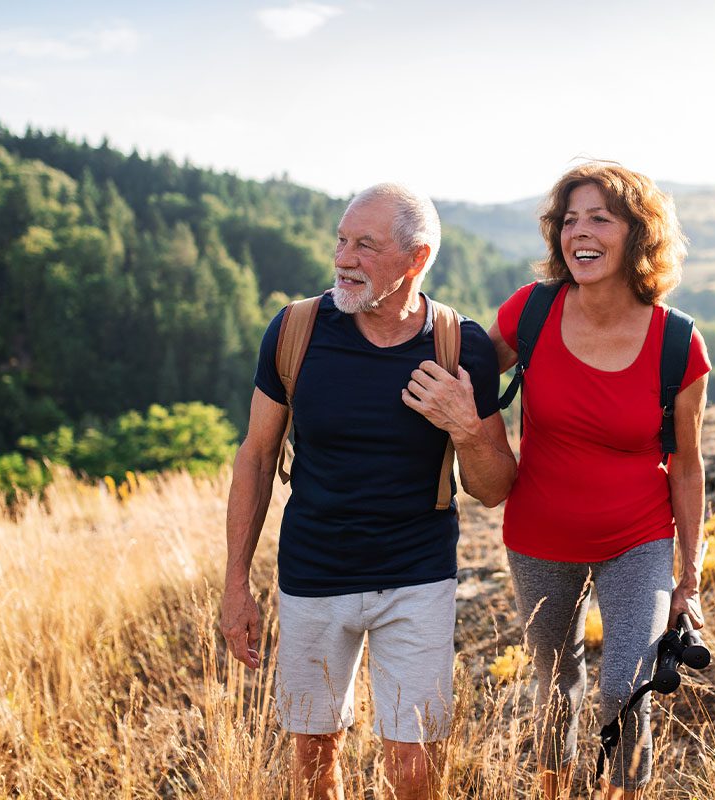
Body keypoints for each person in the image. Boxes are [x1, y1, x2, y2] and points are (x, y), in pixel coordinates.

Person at [413, 162, 710, 799]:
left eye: (601, 217)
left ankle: (625, 791)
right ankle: (553, 790)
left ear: (638, 233)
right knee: (555, 683)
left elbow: (686, 463)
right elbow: (463, 369)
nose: (581, 231)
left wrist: (691, 566)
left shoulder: (678, 342)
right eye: (570, 219)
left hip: (640, 537)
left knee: (626, 684)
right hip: (539, 535)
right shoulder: (534, 311)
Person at [220, 183, 516, 800]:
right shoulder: (296, 330)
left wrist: (464, 424)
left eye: (365, 245)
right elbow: (255, 456)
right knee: (314, 760)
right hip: (313, 575)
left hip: (417, 576)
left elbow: (494, 489)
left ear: (417, 258)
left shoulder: (461, 347)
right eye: (341, 240)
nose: (343, 258)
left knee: (412, 768)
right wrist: (235, 582)